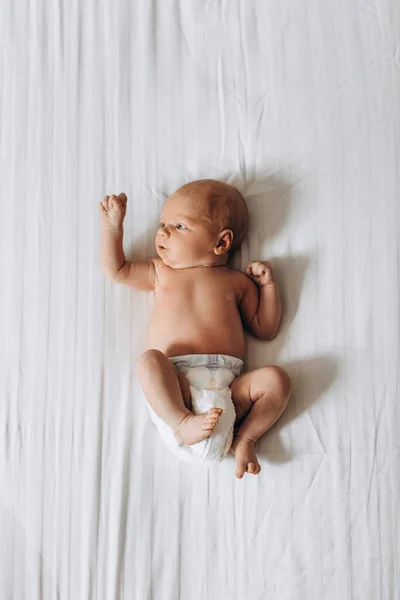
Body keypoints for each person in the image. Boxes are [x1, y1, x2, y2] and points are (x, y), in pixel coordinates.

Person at [99, 179, 291, 478]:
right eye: (163, 224)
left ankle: (246, 438)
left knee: (277, 381)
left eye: (179, 226)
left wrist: (268, 286)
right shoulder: (160, 272)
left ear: (221, 242)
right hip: (177, 384)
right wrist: (114, 228)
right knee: (149, 361)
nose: (162, 232)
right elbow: (118, 270)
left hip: (230, 389)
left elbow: (265, 328)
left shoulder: (237, 282)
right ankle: (180, 422)